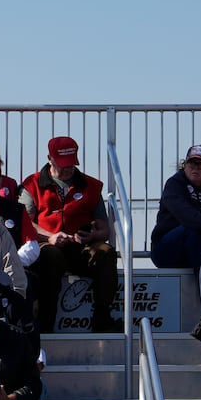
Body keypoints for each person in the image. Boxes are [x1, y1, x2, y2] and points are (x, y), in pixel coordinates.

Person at [20, 136, 120, 334]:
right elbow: (25, 224)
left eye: (72, 164)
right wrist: (50, 237)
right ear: (50, 159)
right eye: (63, 164)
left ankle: (102, 320)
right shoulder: (31, 185)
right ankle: (45, 324)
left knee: (106, 252)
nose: (68, 169)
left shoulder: (91, 186)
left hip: (79, 247)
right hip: (48, 246)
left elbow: (105, 229)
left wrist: (90, 236)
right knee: (51, 257)